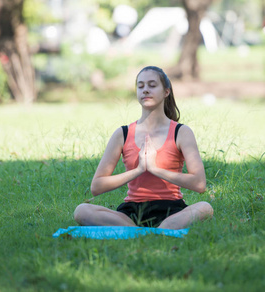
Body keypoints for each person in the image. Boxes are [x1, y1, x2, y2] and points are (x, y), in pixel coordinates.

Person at [74, 66, 213, 230]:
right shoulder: (122, 133)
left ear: (166, 92)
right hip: (131, 212)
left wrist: (155, 169)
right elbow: (97, 187)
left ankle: (150, 231)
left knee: (205, 207)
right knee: (81, 211)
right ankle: (146, 231)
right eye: (141, 86)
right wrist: (138, 170)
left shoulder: (181, 132)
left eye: (152, 85)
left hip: (172, 210)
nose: (145, 90)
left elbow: (199, 184)